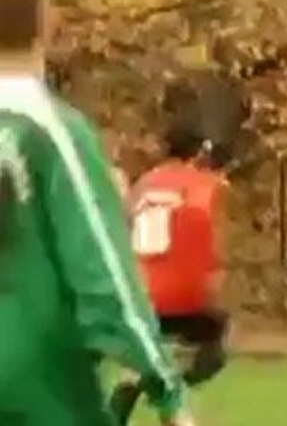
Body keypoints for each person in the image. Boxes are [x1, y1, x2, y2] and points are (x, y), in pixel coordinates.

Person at [0, 0, 193, 426]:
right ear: (47, 24)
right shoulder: (48, 130)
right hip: (35, 388)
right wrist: (163, 382)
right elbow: (102, 273)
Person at [110, 124, 228, 425]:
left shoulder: (144, 184)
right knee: (212, 348)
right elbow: (199, 225)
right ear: (197, 152)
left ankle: (142, 381)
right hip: (180, 294)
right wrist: (210, 280)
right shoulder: (200, 183)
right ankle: (164, 380)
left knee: (151, 348)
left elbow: (123, 225)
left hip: (139, 291)